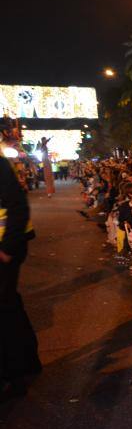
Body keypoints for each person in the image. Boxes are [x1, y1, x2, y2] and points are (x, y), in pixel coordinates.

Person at [0, 155, 40, 401]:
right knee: (10, 306)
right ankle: (27, 364)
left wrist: (7, 249)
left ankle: (15, 375)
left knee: (4, 312)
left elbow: (18, 206)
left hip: (5, 247)